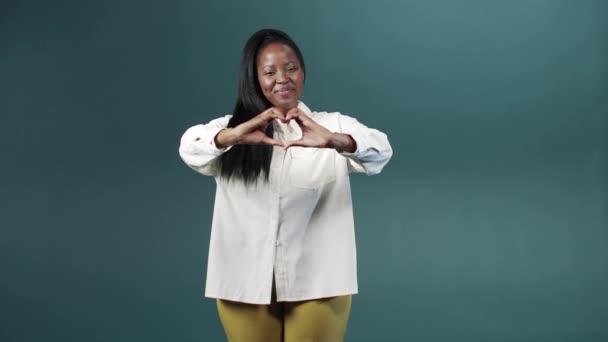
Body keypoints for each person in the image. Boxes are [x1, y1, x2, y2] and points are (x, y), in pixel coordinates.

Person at [178, 28, 392, 342]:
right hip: (242, 280)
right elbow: (188, 147)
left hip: (320, 282)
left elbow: (381, 150)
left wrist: (334, 141)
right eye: (270, 72)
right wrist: (232, 136)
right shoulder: (230, 129)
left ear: (303, 72)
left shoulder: (332, 124)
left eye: (291, 68)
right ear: (254, 79)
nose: (283, 78)